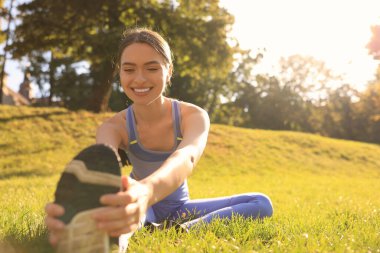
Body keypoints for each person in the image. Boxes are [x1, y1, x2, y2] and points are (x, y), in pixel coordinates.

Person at [45, 28, 273, 253]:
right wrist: (82, 206)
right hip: (144, 209)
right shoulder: (113, 127)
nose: (139, 79)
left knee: (261, 203)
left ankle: (183, 230)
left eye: (152, 68)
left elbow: (187, 157)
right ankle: (113, 245)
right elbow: (101, 168)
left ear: (168, 70)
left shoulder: (193, 116)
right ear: (120, 73)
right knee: (122, 224)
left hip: (179, 209)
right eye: (129, 69)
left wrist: (147, 191)